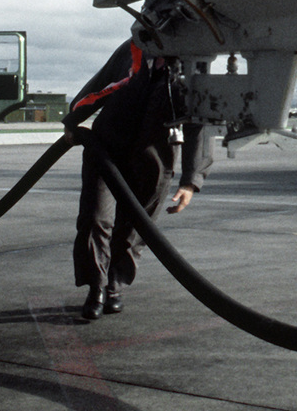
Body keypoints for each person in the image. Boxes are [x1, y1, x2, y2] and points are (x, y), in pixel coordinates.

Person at [64, 38, 213, 321]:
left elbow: (200, 122)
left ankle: (114, 285)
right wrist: (73, 119)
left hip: (154, 159)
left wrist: (191, 180)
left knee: (135, 229)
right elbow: (102, 82)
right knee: (96, 218)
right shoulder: (132, 48)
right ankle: (95, 287)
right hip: (106, 149)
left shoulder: (197, 61)